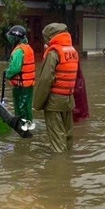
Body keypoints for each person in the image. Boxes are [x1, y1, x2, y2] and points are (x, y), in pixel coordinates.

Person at [32, 22, 78, 153]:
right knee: (68, 135)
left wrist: (37, 104)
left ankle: (59, 169)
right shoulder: (72, 51)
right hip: (68, 99)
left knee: (57, 140)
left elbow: (46, 79)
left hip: (54, 102)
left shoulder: (53, 53)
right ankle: (69, 162)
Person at [3, 25, 36, 131]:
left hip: (21, 86)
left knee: (21, 107)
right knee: (27, 107)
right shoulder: (27, 48)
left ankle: (23, 129)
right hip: (28, 85)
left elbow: (15, 69)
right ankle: (28, 125)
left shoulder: (18, 51)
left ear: (15, 38)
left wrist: (7, 73)